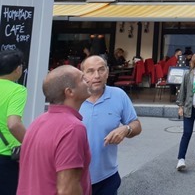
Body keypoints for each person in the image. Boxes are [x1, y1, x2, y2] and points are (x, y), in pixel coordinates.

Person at [17, 65, 92, 195]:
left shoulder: (37, 122)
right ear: (69, 92)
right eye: (83, 79)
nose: (88, 81)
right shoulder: (73, 128)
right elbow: (68, 189)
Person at [80, 55, 142, 195]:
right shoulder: (73, 97)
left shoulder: (118, 95)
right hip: (75, 179)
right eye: (90, 71)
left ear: (107, 72)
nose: (97, 75)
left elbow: (136, 124)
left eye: (101, 70)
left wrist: (126, 129)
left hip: (106, 178)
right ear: (82, 74)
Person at [0, 50, 26, 195]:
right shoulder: (17, 90)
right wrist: (31, 143)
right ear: (17, 69)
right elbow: (14, 124)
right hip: (6, 155)